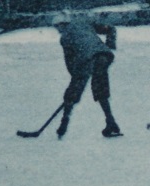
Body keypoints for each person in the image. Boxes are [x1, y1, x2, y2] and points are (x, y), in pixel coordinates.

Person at [52, 11, 121, 139]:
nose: (57, 30)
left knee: (71, 94)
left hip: (86, 61)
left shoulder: (65, 37)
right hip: (103, 57)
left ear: (62, 25)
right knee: (101, 92)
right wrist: (109, 45)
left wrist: (77, 78)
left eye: (57, 27)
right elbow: (110, 28)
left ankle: (63, 125)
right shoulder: (85, 23)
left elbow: (70, 61)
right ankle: (111, 122)